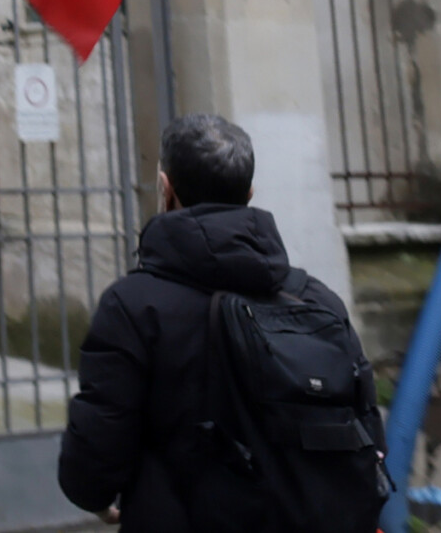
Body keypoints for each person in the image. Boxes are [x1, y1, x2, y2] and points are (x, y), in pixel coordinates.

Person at [58, 113, 382, 532]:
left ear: (165, 188)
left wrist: (98, 499)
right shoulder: (317, 299)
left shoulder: (133, 306)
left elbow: (96, 451)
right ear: (249, 194)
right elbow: (368, 429)